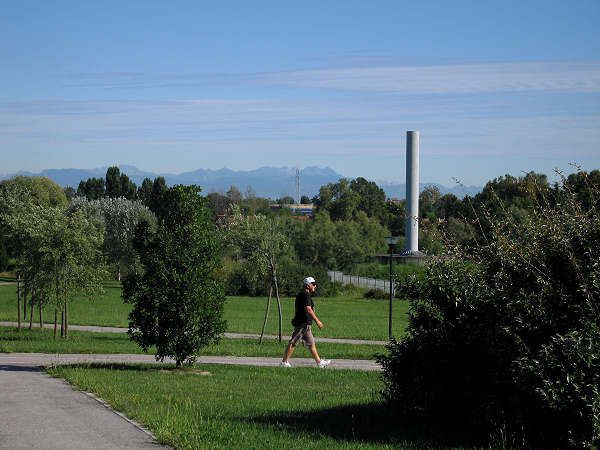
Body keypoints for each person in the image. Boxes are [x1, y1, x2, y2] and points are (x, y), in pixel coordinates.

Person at [280, 276, 331, 368]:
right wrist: (317, 321)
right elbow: (308, 309)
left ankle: (319, 363)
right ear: (308, 285)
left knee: (311, 344)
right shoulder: (305, 295)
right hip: (302, 324)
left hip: (306, 324)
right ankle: (284, 362)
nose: (315, 286)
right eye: (314, 285)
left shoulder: (304, 294)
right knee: (293, 342)